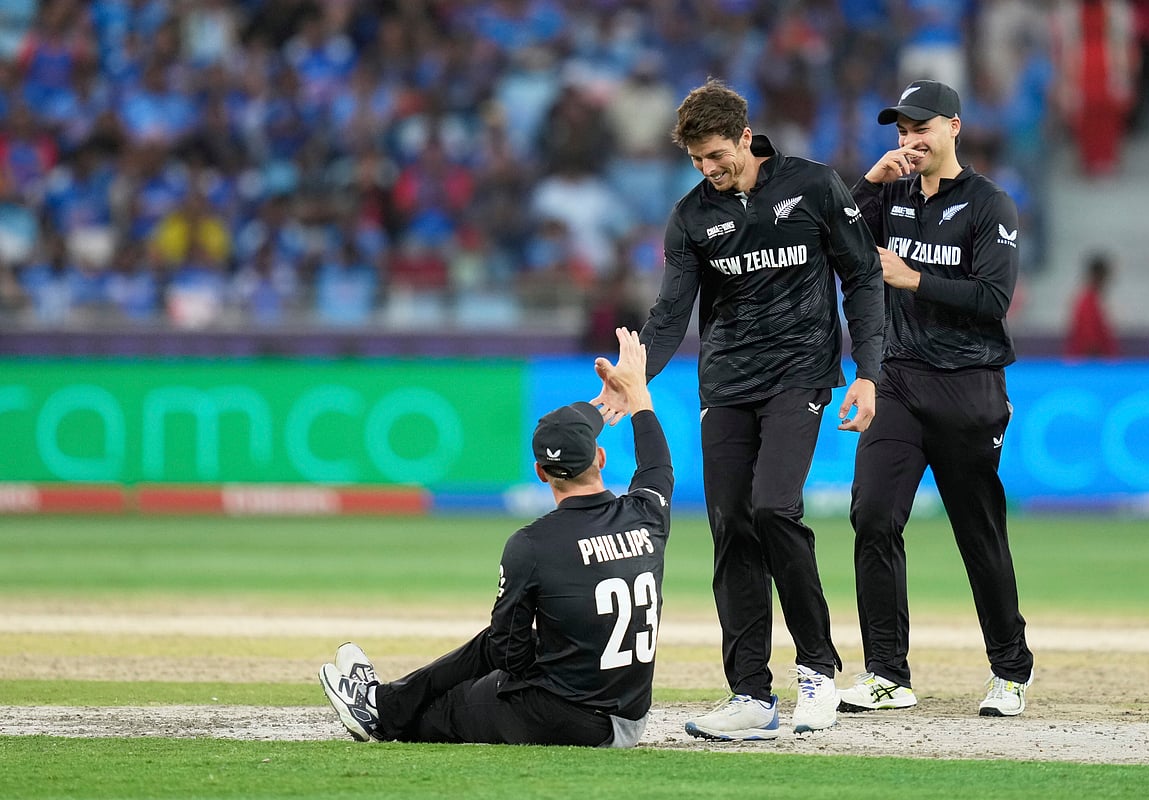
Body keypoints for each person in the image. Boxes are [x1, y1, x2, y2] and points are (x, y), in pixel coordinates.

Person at [600, 78, 884, 740]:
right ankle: (750, 694)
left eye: (716, 156)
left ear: (744, 135)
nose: (709, 170)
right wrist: (634, 376)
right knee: (730, 525)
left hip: (801, 375)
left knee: (772, 508)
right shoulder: (691, 215)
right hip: (726, 383)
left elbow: (863, 276)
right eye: (697, 161)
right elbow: (671, 313)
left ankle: (817, 671)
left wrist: (869, 373)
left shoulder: (812, 186)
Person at [319, 327, 673, 748]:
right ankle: (384, 701)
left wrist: (515, 673)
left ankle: (380, 713)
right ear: (600, 457)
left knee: (451, 703)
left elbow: (507, 655)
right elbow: (657, 463)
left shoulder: (533, 544)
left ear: (541, 473)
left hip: (572, 721)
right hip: (631, 715)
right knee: (528, 644)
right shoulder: (647, 515)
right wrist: (635, 395)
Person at [839, 79, 1035, 718]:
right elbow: (829, 235)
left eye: (920, 128)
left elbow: (992, 301)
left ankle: (1010, 671)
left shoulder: (989, 205)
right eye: (899, 131)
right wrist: (869, 181)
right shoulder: (889, 195)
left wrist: (911, 277)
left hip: (968, 386)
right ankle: (887, 676)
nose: (908, 141)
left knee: (978, 533)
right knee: (872, 517)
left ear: (953, 126)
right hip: (896, 378)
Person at [1064, 252, 1118, 358]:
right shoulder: (1087, 302)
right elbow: (1090, 343)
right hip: (1090, 366)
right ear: (1098, 276)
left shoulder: (1093, 300)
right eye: (1105, 276)